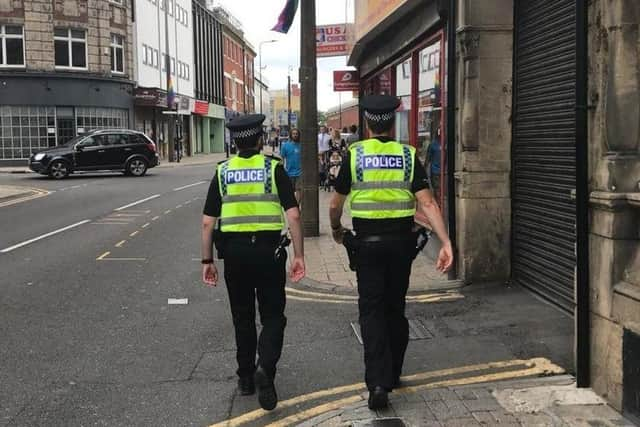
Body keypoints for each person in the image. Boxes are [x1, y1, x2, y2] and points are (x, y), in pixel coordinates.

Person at [328, 95, 453, 410]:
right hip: (401, 246)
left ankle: (377, 384)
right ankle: (394, 372)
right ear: (391, 122)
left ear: (368, 123)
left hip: (367, 246)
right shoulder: (408, 156)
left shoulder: (354, 155)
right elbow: (428, 203)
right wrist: (446, 241)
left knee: (371, 311)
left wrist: (336, 230)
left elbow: (335, 203)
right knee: (395, 308)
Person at [201, 114, 306, 411]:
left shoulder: (223, 171)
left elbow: (208, 222)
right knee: (273, 316)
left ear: (235, 141)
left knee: (242, 316)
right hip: (269, 252)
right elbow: (294, 215)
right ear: (260, 140)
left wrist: (207, 260)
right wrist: (298, 255)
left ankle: (246, 377)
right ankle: (266, 368)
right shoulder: (273, 168)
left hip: (234, 254)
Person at [279, 128, 302, 205]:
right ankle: (293, 205)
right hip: (289, 172)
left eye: (296, 134)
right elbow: (282, 158)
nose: (295, 135)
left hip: (300, 172)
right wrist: (282, 169)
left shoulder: (302, 145)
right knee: (290, 191)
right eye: (293, 134)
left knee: (299, 190)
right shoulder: (285, 146)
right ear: (291, 135)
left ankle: (297, 205)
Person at [426, 128, 442, 203]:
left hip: (435, 170)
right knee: (439, 188)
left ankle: (438, 202)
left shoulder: (433, 144)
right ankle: (439, 202)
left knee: (436, 188)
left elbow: (427, 158)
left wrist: (424, 168)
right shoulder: (443, 144)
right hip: (441, 171)